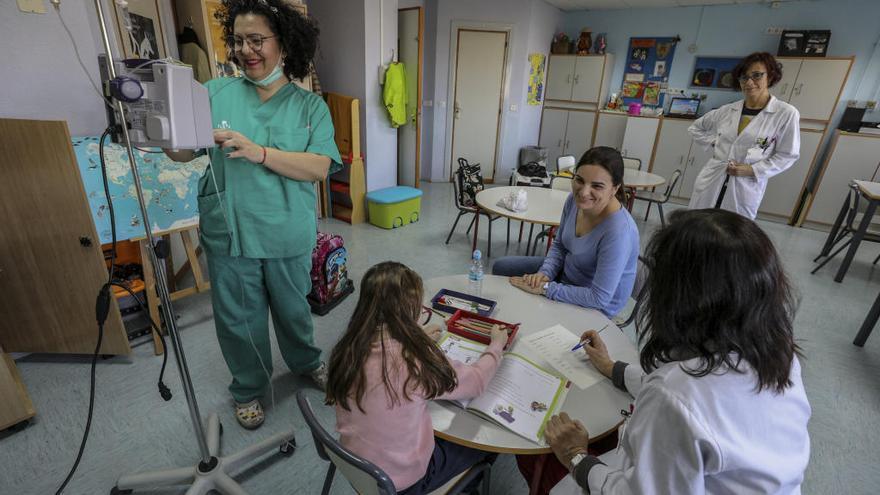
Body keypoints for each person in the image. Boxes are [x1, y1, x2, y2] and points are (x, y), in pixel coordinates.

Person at [540, 209, 811, 494]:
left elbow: (679, 407)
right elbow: (700, 408)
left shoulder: (675, 395)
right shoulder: (778, 355)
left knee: (553, 477)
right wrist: (612, 368)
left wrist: (577, 457)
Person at [164, 0, 342, 430]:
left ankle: (305, 361)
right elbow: (183, 150)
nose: (247, 50)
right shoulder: (213, 93)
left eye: (257, 40)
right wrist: (165, 132)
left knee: (293, 309)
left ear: (284, 44)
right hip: (232, 231)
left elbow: (319, 166)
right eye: (239, 41)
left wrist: (259, 152)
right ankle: (247, 388)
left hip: (285, 229)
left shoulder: (309, 107)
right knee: (238, 318)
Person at [326, 261, 506, 494]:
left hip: (357, 467)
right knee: (487, 441)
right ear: (408, 313)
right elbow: (477, 381)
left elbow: (386, 354)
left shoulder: (347, 347)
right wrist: (497, 345)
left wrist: (416, 334)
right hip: (406, 483)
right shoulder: (415, 360)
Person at [492, 147, 639, 318]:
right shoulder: (573, 201)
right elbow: (560, 245)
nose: (583, 192)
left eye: (597, 186)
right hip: (567, 274)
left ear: (615, 188)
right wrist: (544, 274)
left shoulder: (619, 232)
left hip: (593, 304)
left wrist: (545, 288)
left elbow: (599, 298)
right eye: (579, 180)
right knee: (501, 267)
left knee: (533, 318)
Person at [688, 52, 801, 219]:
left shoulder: (785, 113)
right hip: (712, 179)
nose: (749, 82)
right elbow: (695, 128)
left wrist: (753, 170)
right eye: (744, 77)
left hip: (745, 186)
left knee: (733, 233)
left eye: (757, 75)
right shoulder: (727, 110)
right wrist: (715, 142)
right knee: (696, 226)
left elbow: (787, 155)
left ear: (770, 77)